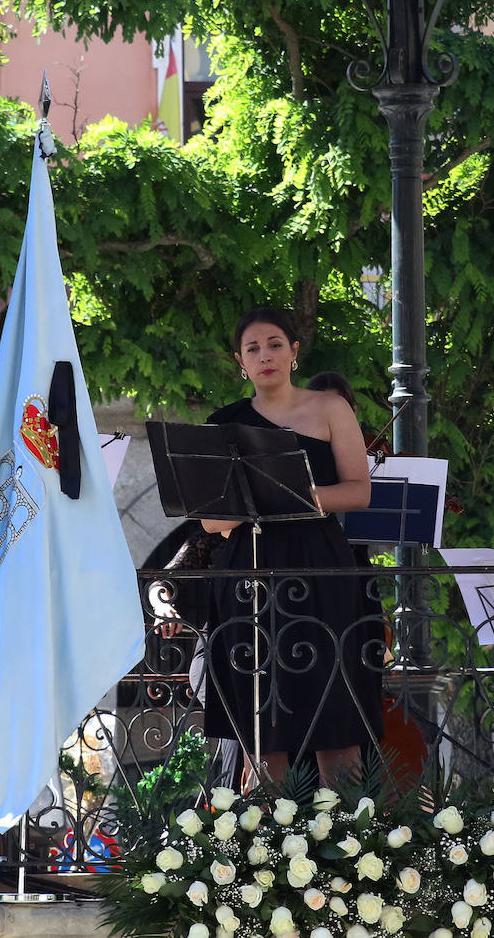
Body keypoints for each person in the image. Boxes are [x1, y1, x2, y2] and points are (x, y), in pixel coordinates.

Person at [197, 308, 379, 788]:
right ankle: (259, 832)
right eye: (253, 349)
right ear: (240, 361)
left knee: (334, 715)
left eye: (275, 345)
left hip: (319, 566)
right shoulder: (223, 422)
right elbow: (212, 520)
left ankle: (351, 829)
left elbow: (358, 491)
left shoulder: (330, 408)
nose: (265, 356)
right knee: (261, 729)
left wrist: (294, 495)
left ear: (294, 352)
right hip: (249, 571)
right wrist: (260, 501)